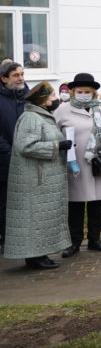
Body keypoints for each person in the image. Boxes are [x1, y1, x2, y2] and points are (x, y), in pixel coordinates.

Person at [3, 82, 72, 270]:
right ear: (42, 100)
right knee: (35, 219)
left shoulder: (40, 116)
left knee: (42, 219)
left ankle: (40, 254)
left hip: (43, 178)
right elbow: (25, 146)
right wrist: (57, 146)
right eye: (51, 96)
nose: (55, 99)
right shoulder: (32, 118)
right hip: (36, 179)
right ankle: (35, 256)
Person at [54, 73, 101, 257]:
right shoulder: (63, 110)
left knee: (97, 201)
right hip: (75, 163)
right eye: (80, 91)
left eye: (87, 92)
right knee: (76, 204)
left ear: (94, 92)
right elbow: (54, 131)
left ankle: (95, 239)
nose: (83, 94)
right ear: (72, 92)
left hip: (97, 161)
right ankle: (74, 241)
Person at [0, 61, 28, 246]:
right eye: (16, 75)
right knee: (5, 202)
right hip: (5, 161)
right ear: (4, 79)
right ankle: (5, 238)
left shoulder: (28, 96)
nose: (21, 78)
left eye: (22, 74)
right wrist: (10, 155)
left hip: (27, 159)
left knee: (23, 203)